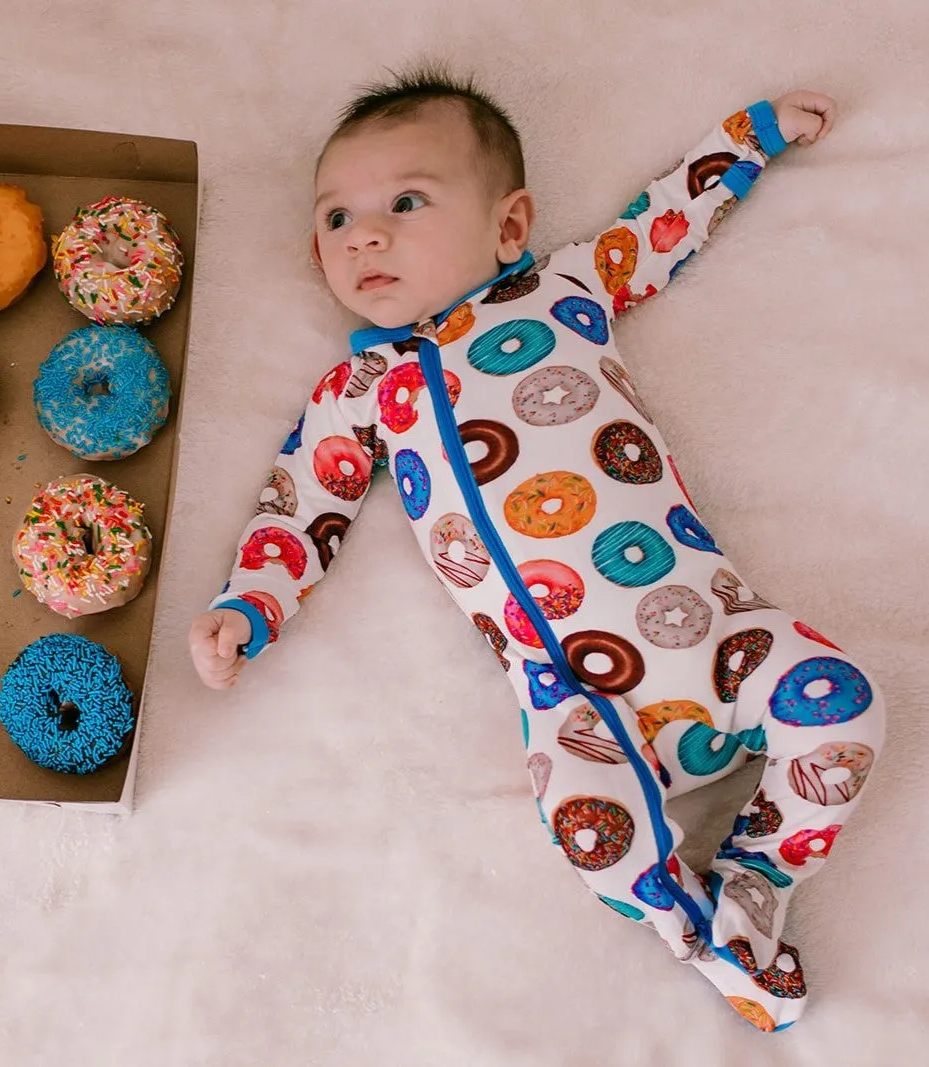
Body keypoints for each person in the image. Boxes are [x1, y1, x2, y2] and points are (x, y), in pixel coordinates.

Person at [188, 68, 883, 1031]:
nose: (366, 235)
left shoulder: (561, 287)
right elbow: (302, 500)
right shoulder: (358, 390)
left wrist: (750, 136)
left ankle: (761, 869)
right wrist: (247, 603)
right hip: (573, 693)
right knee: (587, 828)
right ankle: (701, 934)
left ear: (509, 227)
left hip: (720, 638)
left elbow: (662, 224)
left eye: (404, 202)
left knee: (844, 702)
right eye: (337, 219)